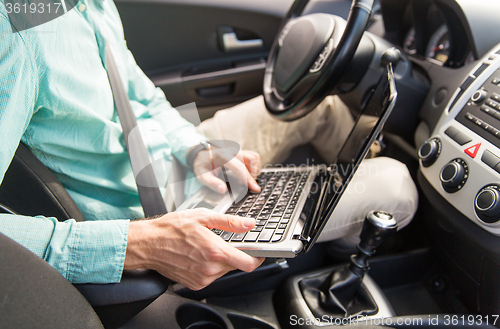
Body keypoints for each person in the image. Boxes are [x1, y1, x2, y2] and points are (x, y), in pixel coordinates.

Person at [0, 0, 418, 290]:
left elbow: (141, 98)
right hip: (150, 213)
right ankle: (355, 250)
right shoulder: (15, 36)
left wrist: (196, 147)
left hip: (174, 162)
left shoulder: (88, 7)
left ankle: (342, 234)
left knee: (321, 108)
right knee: (396, 186)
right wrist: (137, 245)